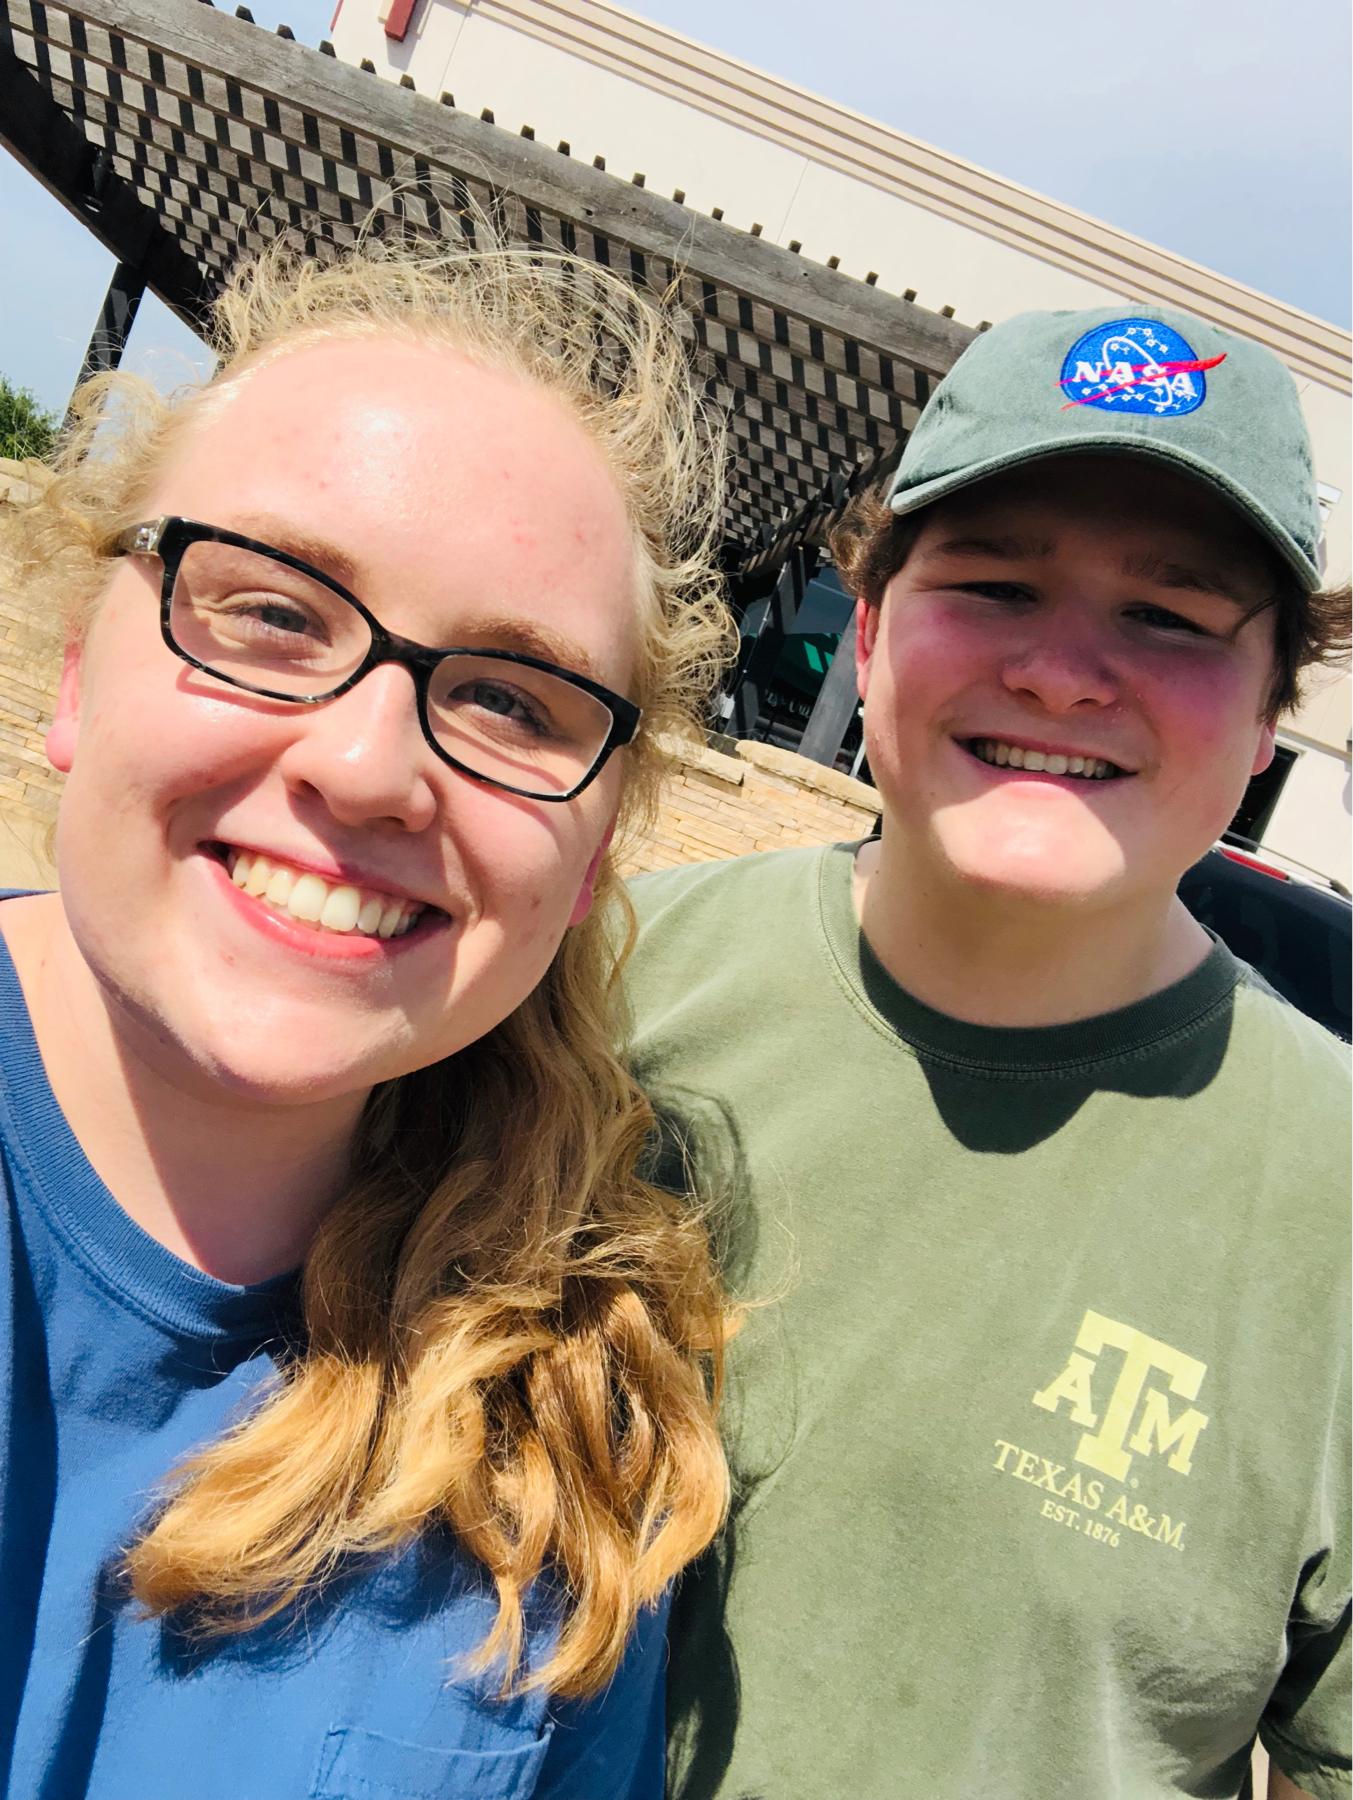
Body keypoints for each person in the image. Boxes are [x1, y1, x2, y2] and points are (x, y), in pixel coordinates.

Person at [0, 228, 735, 1799]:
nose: (365, 765)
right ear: (75, 677)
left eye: (511, 700)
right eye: (271, 612)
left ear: (593, 850)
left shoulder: (575, 1432)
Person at [623, 307, 1351, 1800]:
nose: (1064, 673)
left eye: (1170, 616)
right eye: (996, 583)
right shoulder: (584, 990)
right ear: (874, 625)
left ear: (1272, 712)